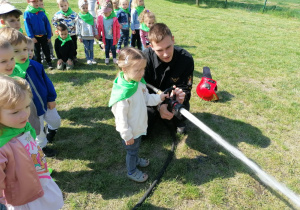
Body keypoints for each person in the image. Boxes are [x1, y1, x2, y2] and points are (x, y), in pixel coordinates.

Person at [0, 75, 64, 209]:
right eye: (15, 112)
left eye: (27, 106)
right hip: (24, 196)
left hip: (40, 180)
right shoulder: (3, 146)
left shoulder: (20, 126)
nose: (25, 114)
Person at [109, 47, 168, 182]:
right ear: (125, 69)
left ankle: (136, 159)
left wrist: (160, 98)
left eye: (143, 69)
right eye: (137, 70)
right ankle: (131, 170)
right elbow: (121, 119)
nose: (142, 73)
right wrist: (127, 135)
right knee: (131, 151)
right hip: (131, 132)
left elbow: (146, 98)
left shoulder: (138, 83)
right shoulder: (123, 95)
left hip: (139, 126)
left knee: (136, 148)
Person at [0, 27, 61, 157]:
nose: (23, 54)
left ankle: (51, 131)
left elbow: (47, 82)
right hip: (31, 112)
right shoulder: (9, 76)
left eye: (25, 49)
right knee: (38, 133)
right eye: (16, 51)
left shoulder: (35, 65)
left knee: (56, 121)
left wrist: (51, 98)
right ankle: (43, 148)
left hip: (45, 104)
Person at [143, 23, 194, 134]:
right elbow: (142, 89)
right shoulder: (144, 59)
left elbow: (186, 88)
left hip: (173, 101)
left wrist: (181, 97)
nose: (165, 54)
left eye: (168, 47)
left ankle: (177, 120)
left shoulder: (186, 59)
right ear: (151, 46)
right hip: (151, 100)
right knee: (143, 132)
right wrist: (158, 105)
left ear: (173, 40)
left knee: (180, 113)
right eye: (159, 50)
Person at [0, 37, 40, 137]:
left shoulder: (17, 76)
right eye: (3, 61)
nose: (10, 64)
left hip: (26, 130)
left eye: (12, 58)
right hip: (10, 139)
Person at [24, 0, 53, 70]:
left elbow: (47, 24)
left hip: (43, 35)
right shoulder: (27, 13)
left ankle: (49, 62)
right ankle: (39, 64)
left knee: (46, 49)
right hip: (35, 37)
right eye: (34, 1)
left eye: (37, 1)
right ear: (28, 2)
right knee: (37, 51)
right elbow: (27, 26)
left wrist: (49, 35)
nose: (36, 3)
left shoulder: (41, 12)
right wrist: (31, 37)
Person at [96, 0, 120, 65]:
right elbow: (99, 27)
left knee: (113, 48)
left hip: (113, 37)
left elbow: (118, 28)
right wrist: (98, 35)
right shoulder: (101, 18)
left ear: (110, 11)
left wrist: (118, 36)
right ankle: (107, 57)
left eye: (106, 13)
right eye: (103, 13)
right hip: (105, 37)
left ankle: (114, 58)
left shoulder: (114, 19)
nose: (104, 14)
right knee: (106, 48)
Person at [76, 0, 98, 65]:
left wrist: (96, 33)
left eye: (86, 8)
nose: (85, 9)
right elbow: (78, 27)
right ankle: (88, 59)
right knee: (86, 48)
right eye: (83, 8)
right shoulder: (79, 17)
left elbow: (94, 25)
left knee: (91, 48)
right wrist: (79, 36)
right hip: (84, 35)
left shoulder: (91, 16)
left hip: (91, 35)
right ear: (80, 8)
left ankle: (92, 58)